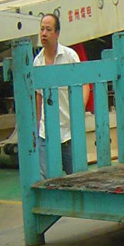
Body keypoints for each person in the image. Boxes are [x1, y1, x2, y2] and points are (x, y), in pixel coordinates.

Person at [34, 13, 90, 178]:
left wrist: (79, 110)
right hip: (45, 133)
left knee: (77, 176)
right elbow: (38, 97)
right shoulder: (37, 62)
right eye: (42, 29)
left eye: (48, 29)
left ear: (57, 33)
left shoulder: (70, 56)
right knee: (45, 178)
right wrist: (36, 129)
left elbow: (85, 84)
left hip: (69, 131)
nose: (44, 33)